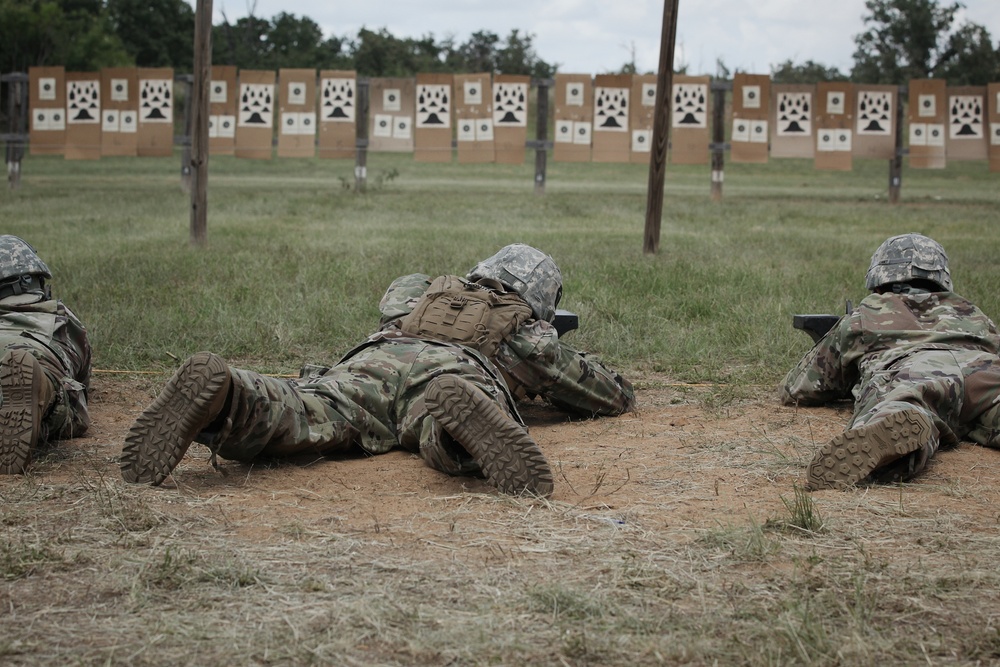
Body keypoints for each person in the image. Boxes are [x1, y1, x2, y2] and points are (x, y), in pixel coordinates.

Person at [121, 244, 635, 497]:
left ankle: (229, 394)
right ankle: (456, 426)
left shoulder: (419, 292)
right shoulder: (528, 331)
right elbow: (603, 395)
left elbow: (395, 299)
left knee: (307, 408)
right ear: (542, 299)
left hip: (375, 361)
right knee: (436, 424)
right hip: (450, 373)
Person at [780, 233, 1000, 490]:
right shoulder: (973, 313)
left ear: (878, 281)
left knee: (904, 409)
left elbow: (801, 388)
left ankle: (899, 426)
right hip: (985, 372)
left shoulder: (866, 314)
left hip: (915, 371)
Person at [0, 235, 91, 474]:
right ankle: (43, 387)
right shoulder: (63, 317)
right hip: (39, 357)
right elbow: (83, 377)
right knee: (63, 400)